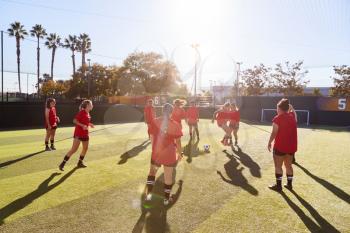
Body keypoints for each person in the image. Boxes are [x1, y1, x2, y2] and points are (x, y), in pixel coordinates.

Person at [145, 103, 183, 206]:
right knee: (168, 176)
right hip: (170, 153)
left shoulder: (155, 121)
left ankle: (148, 195)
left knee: (152, 173)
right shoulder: (175, 124)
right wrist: (180, 154)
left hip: (157, 152)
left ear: (162, 111)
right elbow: (178, 142)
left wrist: (154, 150)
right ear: (171, 112)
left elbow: (152, 138)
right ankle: (166, 199)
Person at [267, 98, 297, 191]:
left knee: (278, 166)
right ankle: (289, 185)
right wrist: (291, 108)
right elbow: (294, 115)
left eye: (277, 108)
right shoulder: (292, 117)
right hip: (291, 147)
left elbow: (274, 132)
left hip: (280, 147)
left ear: (280, 109)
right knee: (289, 166)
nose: (276, 110)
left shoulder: (277, 118)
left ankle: (279, 186)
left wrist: (269, 142)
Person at [59, 100, 94, 171]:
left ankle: (80, 163)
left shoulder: (88, 113)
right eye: (91, 104)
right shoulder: (82, 112)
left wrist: (89, 124)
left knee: (85, 148)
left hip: (85, 134)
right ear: (87, 105)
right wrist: (82, 125)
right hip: (78, 134)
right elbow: (74, 120)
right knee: (74, 149)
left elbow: (85, 121)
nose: (92, 105)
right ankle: (62, 164)